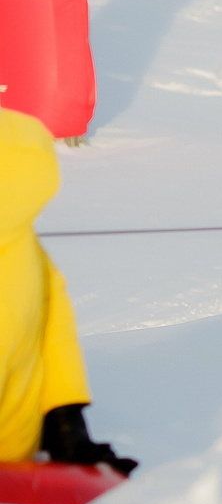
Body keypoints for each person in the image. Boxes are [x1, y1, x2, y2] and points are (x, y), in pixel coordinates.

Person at [2, 109, 136, 476]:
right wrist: (65, 419)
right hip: (16, 447)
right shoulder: (28, 255)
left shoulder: (30, 257)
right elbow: (54, 339)